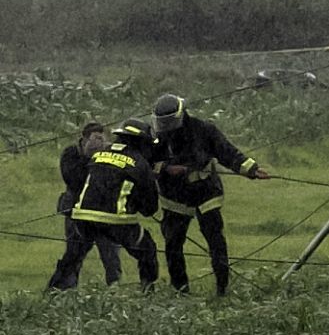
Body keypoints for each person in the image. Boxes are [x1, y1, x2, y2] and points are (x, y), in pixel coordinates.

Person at [150, 93, 271, 296]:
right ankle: (181, 290)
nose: (166, 126)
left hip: (206, 193)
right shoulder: (154, 137)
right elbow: (146, 161)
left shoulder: (203, 130)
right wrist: (166, 168)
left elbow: (227, 152)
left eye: (170, 121)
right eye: (162, 122)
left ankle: (222, 289)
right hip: (174, 197)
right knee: (173, 245)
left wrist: (250, 169)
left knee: (216, 242)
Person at [48, 118, 161, 290]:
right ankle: (147, 292)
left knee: (73, 255)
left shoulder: (100, 154)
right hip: (115, 222)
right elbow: (149, 208)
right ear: (142, 142)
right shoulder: (140, 163)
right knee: (147, 249)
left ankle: (55, 291)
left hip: (82, 217)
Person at [53, 122, 114, 285]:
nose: (98, 142)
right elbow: (73, 179)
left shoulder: (110, 153)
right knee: (73, 255)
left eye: (101, 138)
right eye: (94, 138)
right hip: (76, 210)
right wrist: (89, 157)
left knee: (111, 258)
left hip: (104, 213)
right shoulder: (71, 153)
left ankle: (114, 292)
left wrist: (103, 156)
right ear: (84, 139)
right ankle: (63, 290)